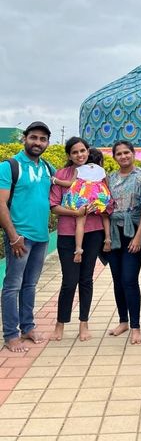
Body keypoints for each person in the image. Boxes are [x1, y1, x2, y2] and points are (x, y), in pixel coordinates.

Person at [0, 121, 53, 352]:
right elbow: (1, 203)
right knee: (13, 285)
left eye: (42, 139)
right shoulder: (10, 166)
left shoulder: (47, 168)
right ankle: (11, 334)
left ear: (47, 143)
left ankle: (28, 327)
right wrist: (13, 236)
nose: (38, 143)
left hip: (42, 237)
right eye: (34, 138)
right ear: (25, 138)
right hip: (20, 237)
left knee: (30, 285)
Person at [50, 137, 109, 342]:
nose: (80, 155)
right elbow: (54, 206)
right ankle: (60, 322)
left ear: (87, 151)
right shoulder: (61, 175)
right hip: (67, 233)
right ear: (69, 155)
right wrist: (76, 213)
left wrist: (98, 207)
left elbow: (106, 202)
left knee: (86, 279)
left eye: (82, 151)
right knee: (69, 280)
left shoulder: (97, 173)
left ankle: (84, 323)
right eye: (75, 152)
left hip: (93, 232)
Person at [106, 140, 141, 345]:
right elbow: (104, 209)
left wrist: (139, 236)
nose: (123, 156)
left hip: (134, 230)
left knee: (129, 279)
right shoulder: (109, 179)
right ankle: (123, 320)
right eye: (119, 154)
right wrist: (107, 237)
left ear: (133, 154)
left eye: (127, 152)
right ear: (114, 157)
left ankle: (135, 326)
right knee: (117, 279)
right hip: (114, 234)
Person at [53, 148, 112, 263]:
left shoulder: (79, 169)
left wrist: (56, 181)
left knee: (80, 221)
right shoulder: (101, 170)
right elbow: (107, 185)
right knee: (105, 216)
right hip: (99, 198)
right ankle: (108, 239)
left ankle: (78, 249)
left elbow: (70, 183)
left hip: (83, 197)